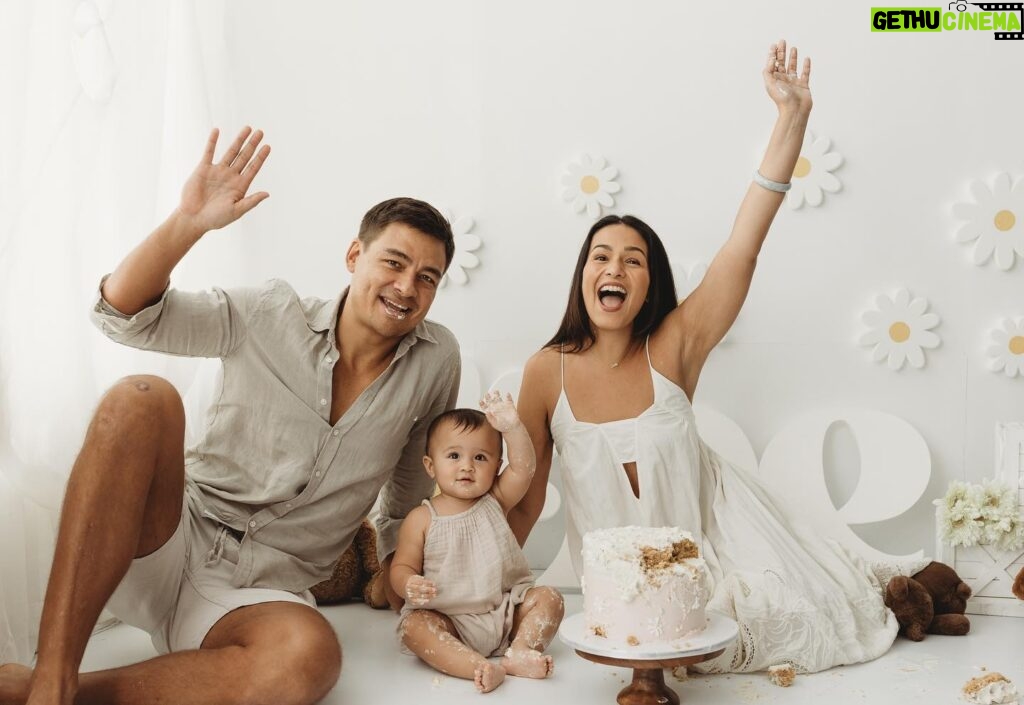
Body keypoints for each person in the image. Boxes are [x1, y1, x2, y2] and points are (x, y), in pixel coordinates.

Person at [0, 127, 460, 705]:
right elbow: (122, 315)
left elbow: (412, 486)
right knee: (142, 397)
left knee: (310, 656)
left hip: (259, 594)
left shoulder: (435, 358)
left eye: (427, 278)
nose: (406, 287)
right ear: (353, 255)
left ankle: (35, 692)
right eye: (394, 263)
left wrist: (403, 574)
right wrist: (188, 223)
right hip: (165, 543)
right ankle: (52, 678)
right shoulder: (270, 311)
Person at [509, 41, 899, 673]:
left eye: (633, 259)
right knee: (657, 642)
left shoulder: (675, 345)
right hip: (621, 592)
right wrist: (480, 589)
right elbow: (524, 499)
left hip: (716, 552)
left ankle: (913, 595)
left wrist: (791, 116)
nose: (615, 267)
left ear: (650, 281)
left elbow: (744, 243)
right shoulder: (542, 371)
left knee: (783, 618)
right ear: (582, 275)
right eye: (601, 256)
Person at [391, 392, 564, 694]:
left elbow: (524, 468)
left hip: (506, 611)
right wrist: (408, 584)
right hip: (449, 620)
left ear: (497, 466)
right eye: (454, 456)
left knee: (550, 598)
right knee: (413, 628)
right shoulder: (421, 519)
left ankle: (520, 651)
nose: (467, 466)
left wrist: (512, 428)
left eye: (480, 457)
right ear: (431, 466)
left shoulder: (496, 500)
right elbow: (401, 566)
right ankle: (477, 666)